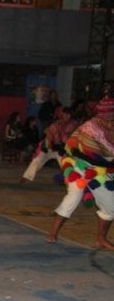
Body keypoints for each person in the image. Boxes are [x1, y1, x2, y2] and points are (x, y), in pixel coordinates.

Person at [46, 96, 114, 249]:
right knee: (74, 196)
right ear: (100, 114)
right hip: (79, 166)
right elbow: (72, 145)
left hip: (101, 171)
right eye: (106, 116)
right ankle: (53, 232)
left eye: (111, 116)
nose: (108, 119)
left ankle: (101, 239)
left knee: (111, 205)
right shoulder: (89, 127)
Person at [19, 107, 77, 183]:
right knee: (37, 160)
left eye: (69, 115)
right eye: (66, 114)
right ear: (63, 114)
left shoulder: (72, 124)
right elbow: (47, 133)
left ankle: (71, 181)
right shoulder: (54, 123)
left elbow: (71, 136)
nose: (68, 116)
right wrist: (49, 144)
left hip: (60, 149)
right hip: (49, 147)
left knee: (65, 164)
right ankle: (26, 177)